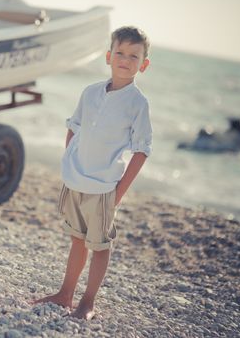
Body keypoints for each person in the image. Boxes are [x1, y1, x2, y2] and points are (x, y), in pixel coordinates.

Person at [32, 26, 153, 320]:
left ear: (143, 64)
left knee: (99, 246)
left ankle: (88, 302)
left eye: (133, 56)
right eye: (120, 53)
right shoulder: (90, 92)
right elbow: (74, 128)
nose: (125, 60)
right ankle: (65, 294)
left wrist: (118, 193)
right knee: (77, 238)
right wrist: (69, 163)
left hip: (103, 186)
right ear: (109, 56)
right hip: (77, 179)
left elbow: (141, 151)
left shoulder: (138, 104)